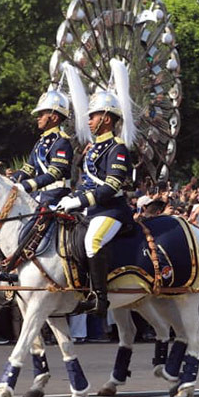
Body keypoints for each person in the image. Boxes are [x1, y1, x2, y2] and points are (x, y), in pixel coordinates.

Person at [56, 91, 132, 317]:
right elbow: (87, 182)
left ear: (106, 119)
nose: (88, 121)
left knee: (93, 241)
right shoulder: (94, 149)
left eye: (93, 116)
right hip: (92, 210)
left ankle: (99, 297)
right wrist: (72, 197)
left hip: (112, 210)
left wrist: (79, 200)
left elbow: (111, 187)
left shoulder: (117, 148)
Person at [12, 89, 73, 205]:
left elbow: (54, 174)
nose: (38, 118)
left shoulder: (61, 142)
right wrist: (9, 180)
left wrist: (25, 185)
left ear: (54, 118)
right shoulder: (40, 142)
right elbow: (28, 169)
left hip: (56, 195)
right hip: (39, 194)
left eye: (41, 114)